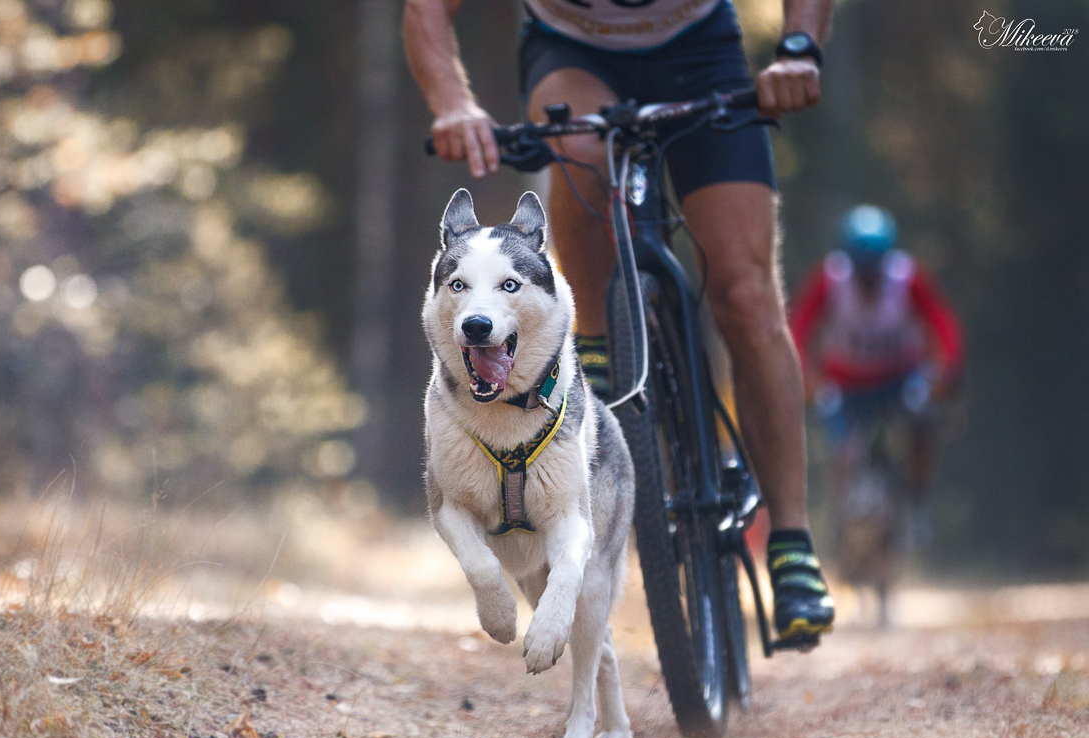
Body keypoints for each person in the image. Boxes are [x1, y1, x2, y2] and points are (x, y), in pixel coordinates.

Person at [403, 0, 836, 640]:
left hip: (698, 49)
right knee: (579, 147)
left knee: (746, 297)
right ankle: (597, 370)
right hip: (573, 51)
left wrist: (799, 47)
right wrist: (452, 103)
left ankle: (792, 545)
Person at [790, 205, 965, 555]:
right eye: (862, 272)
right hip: (846, 383)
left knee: (922, 421)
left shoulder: (908, 278)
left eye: (874, 271)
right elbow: (799, 327)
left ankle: (917, 503)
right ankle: (841, 518)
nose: (869, 280)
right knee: (842, 448)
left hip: (899, 378)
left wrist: (947, 368)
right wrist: (804, 374)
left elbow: (943, 323)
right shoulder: (830, 279)